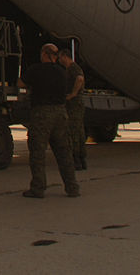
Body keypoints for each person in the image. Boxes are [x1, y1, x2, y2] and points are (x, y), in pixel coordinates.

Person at [17, 43, 80, 198]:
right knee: (64, 152)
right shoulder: (62, 72)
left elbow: (20, 83)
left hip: (42, 114)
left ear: (45, 54)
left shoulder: (36, 70)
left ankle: (38, 188)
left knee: (38, 152)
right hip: (60, 113)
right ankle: (72, 187)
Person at [58, 47, 87, 170]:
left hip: (74, 104)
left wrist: (73, 94)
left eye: (60, 57)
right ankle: (81, 159)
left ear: (65, 56)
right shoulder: (70, 69)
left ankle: (76, 160)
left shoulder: (73, 68)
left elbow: (80, 79)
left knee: (73, 131)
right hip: (76, 103)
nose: (59, 60)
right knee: (79, 131)